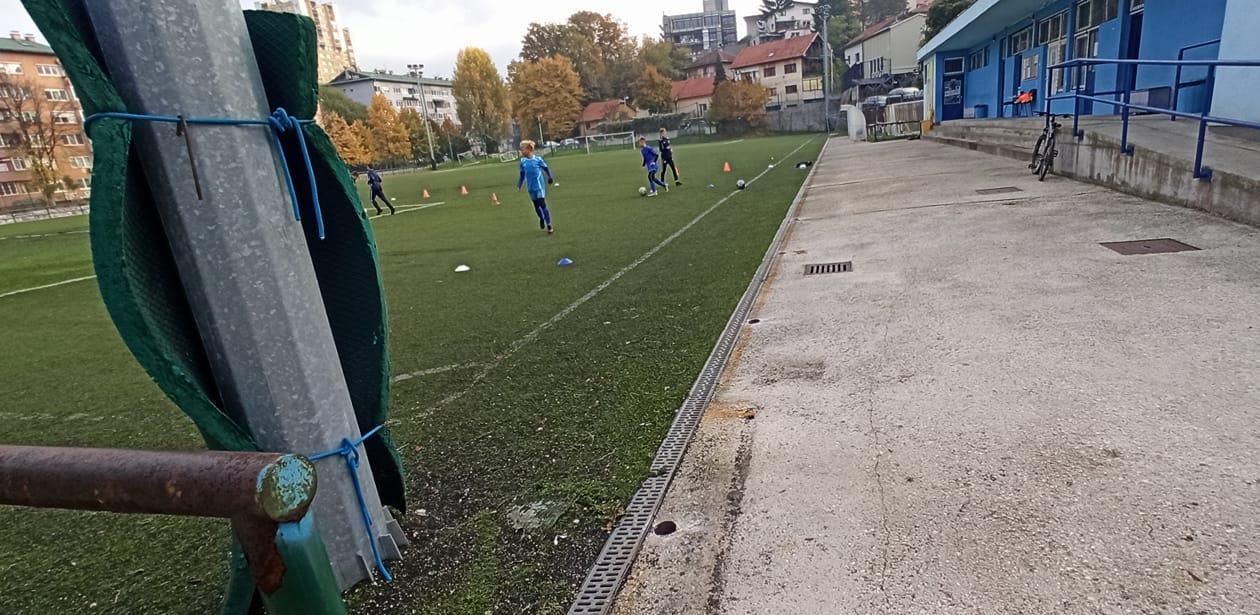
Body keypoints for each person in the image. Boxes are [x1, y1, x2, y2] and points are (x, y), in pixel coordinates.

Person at [517, 140, 555, 233]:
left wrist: (550, 177)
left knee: (542, 204)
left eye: (522, 149)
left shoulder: (538, 159)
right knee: (536, 206)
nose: (521, 151)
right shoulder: (523, 161)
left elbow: (546, 168)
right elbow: (522, 174)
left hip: (539, 186)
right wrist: (519, 184)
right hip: (531, 187)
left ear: (529, 149)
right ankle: (541, 218)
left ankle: (549, 225)